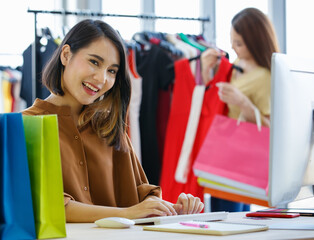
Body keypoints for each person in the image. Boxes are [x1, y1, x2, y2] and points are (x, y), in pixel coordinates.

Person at [22, 19, 204, 223]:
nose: (101, 79)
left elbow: (140, 197)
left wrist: (172, 209)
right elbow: (46, 205)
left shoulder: (109, 128)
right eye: (94, 62)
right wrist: (126, 214)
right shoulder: (25, 126)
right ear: (66, 55)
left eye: (112, 71)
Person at [201, 8, 280, 212]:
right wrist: (206, 71)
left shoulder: (265, 76)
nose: (234, 48)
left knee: (231, 216)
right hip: (223, 152)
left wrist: (244, 103)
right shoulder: (238, 63)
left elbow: (270, 129)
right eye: (232, 41)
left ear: (255, 41)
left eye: (239, 43)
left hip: (241, 156)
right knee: (223, 212)